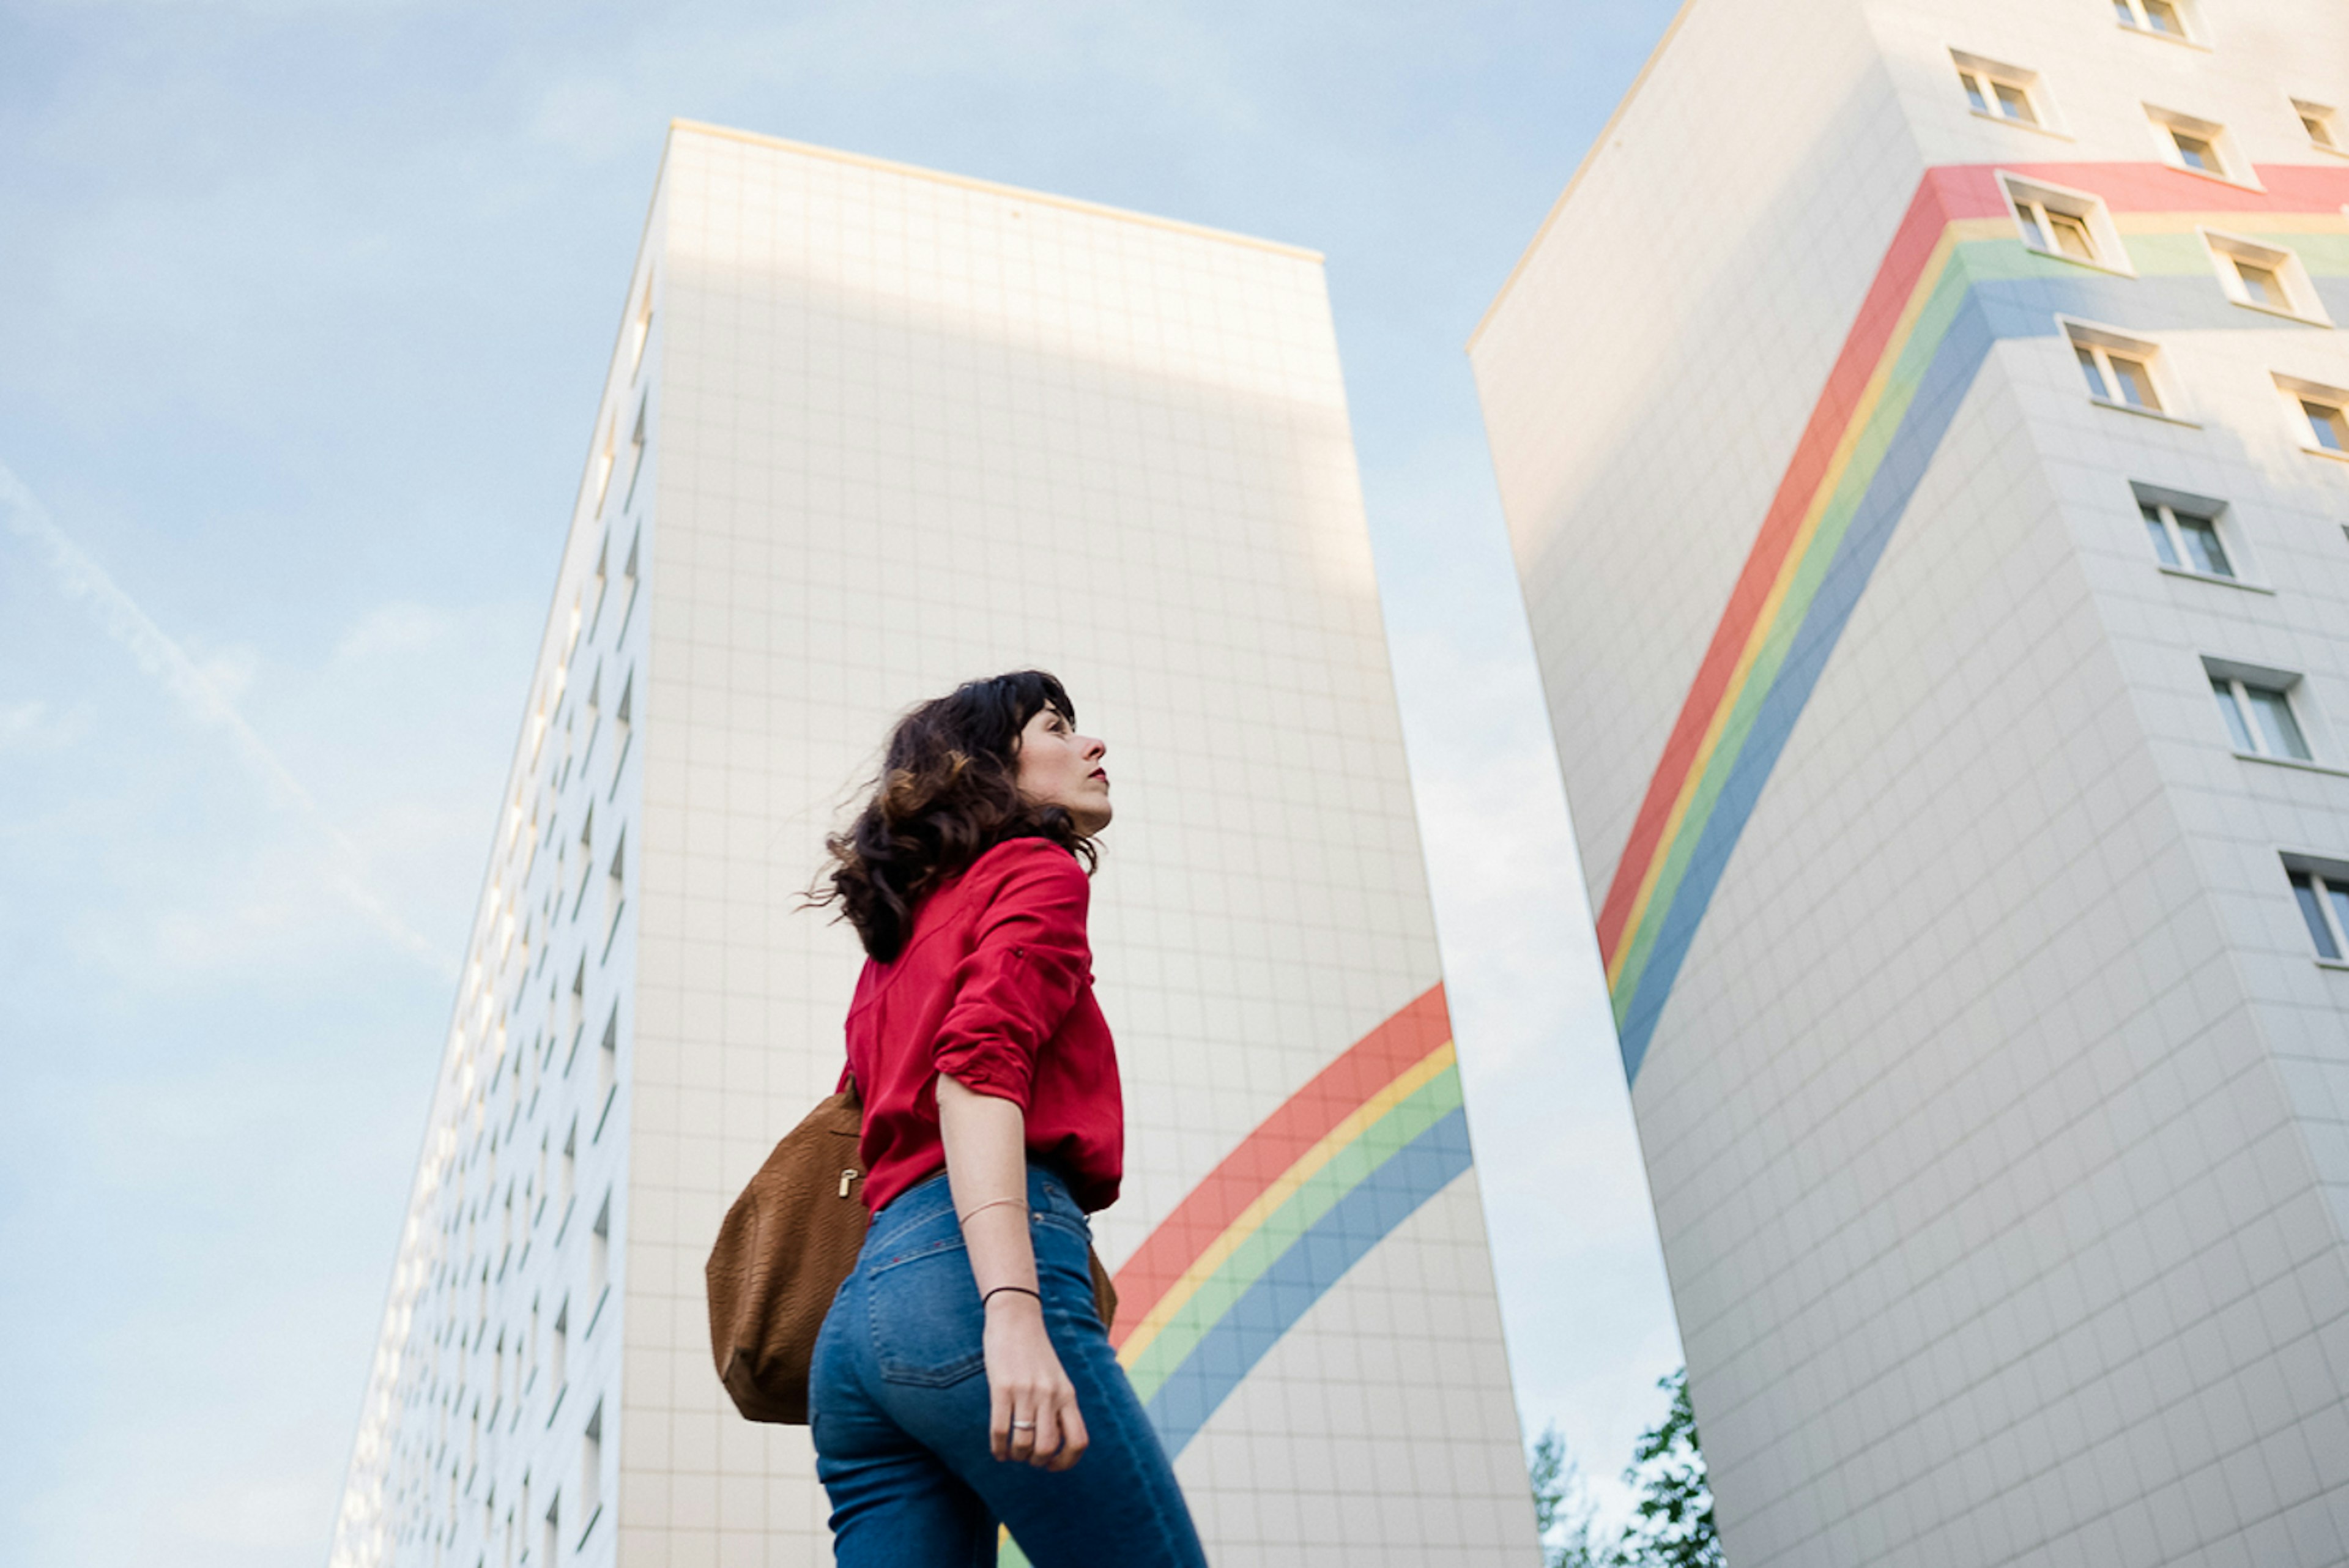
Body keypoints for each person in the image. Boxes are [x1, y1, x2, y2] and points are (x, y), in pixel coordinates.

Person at [807, 671, 1209, 1568]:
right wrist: (1013, 1310)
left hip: (857, 1337)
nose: (1093, 745)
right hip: (969, 1282)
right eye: (1059, 727)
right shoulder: (1037, 871)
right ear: (984, 765)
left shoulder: (896, 945)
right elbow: (976, 1075)